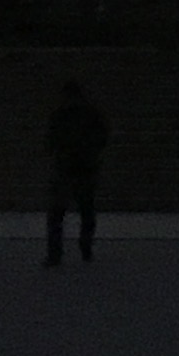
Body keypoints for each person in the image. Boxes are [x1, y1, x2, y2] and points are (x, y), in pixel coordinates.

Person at [42, 78, 108, 267]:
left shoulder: (59, 115)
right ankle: (85, 247)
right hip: (85, 167)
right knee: (86, 210)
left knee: (56, 213)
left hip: (65, 167)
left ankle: (55, 254)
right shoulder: (92, 114)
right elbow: (102, 137)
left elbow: (50, 140)